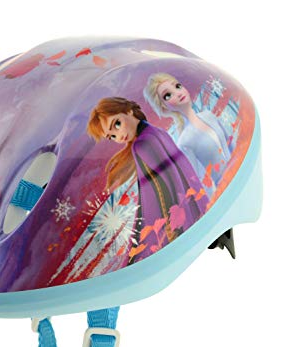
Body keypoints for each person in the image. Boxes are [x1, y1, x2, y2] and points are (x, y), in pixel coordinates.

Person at [87, 97, 208, 260]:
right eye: (112, 136)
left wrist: (171, 227)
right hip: (187, 202)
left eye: (117, 124)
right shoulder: (154, 132)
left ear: (128, 111)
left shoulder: (142, 144)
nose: (119, 136)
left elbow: (160, 187)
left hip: (169, 214)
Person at [143, 73, 232, 197]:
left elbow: (231, 143)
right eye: (168, 95)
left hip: (240, 169)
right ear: (164, 107)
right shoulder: (184, 141)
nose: (178, 93)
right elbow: (197, 181)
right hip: (226, 190)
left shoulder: (208, 115)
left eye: (177, 86)